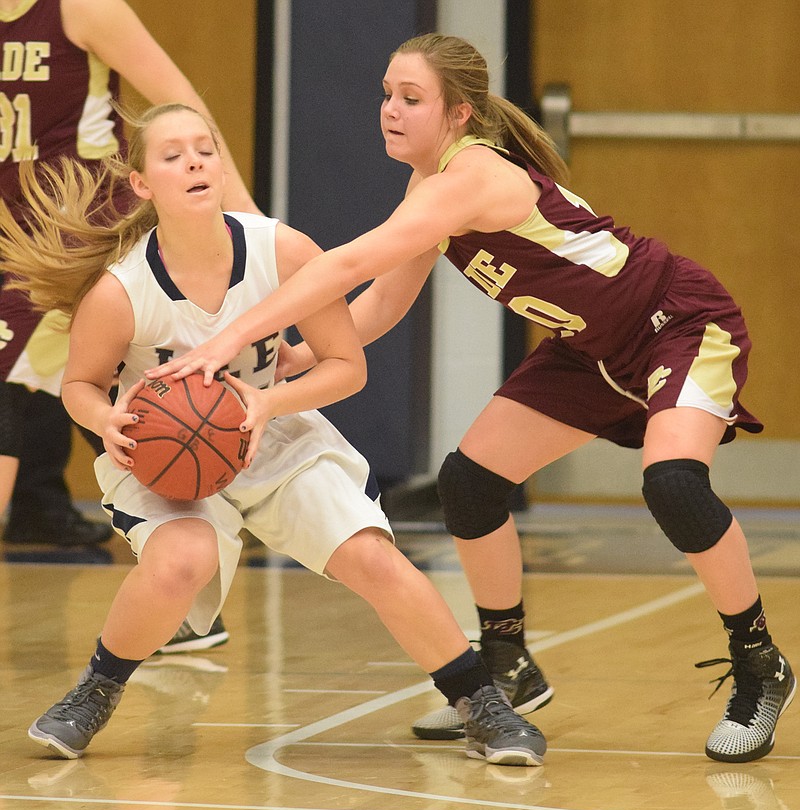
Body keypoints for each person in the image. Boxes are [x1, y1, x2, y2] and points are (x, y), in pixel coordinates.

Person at [149, 34, 796, 765]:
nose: (390, 111)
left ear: (459, 115)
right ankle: (507, 663)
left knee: (674, 483)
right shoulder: (428, 186)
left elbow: (354, 262)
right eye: (386, 94)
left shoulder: (471, 176)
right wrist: (299, 356)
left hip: (676, 323)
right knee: (470, 481)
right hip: (589, 350)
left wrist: (222, 339)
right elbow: (383, 302)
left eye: (411, 99)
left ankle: (758, 664)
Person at [0, 102, 546, 766]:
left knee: (373, 558)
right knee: (181, 562)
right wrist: (105, 419)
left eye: (205, 148)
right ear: (142, 183)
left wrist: (265, 403)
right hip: (167, 460)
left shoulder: (281, 249)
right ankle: (96, 689)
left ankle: (479, 702)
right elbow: (80, 385)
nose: (196, 161)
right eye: (173, 155)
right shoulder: (123, 289)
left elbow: (347, 368)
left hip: (278, 432)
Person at [0, 0, 253, 646]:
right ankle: (185, 601)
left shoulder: (82, 8)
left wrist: (249, 231)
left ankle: (186, 588)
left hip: (80, 238)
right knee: (128, 409)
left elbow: (185, 108)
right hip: (12, 243)